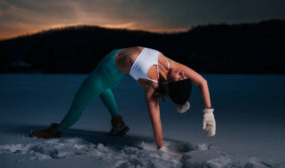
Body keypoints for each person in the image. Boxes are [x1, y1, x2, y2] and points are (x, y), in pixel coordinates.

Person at [30, 46, 216, 153]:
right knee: (103, 90)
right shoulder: (172, 66)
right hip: (114, 68)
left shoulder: (151, 84)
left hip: (106, 73)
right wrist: (208, 113)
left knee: (78, 103)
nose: (184, 74)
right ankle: (117, 122)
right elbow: (202, 82)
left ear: (171, 84)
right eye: (185, 77)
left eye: (182, 79)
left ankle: (56, 131)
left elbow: (156, 119)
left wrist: (161, 148)